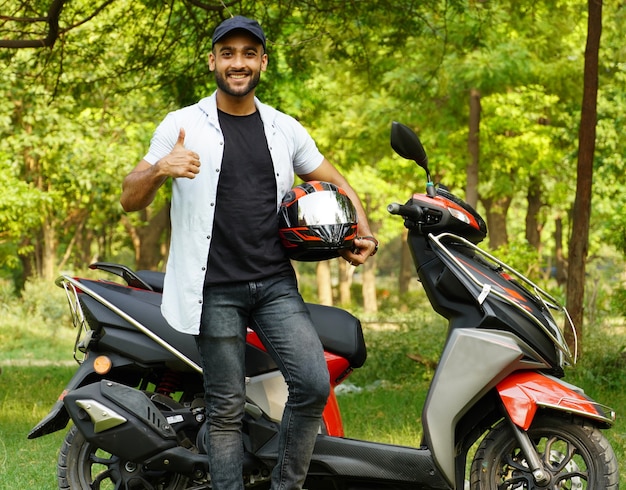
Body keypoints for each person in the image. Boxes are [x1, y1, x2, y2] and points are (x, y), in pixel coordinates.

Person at [120, 15, 377, 490]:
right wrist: (159, 170)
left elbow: (336, 182)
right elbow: (129, 197)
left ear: (262, 61)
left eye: (248, 53)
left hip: (274, 284)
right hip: (213, 288)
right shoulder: (181, 125)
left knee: (313, 384)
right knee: (225, 409)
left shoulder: (284, 128)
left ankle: (284, 485)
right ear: (214, 60)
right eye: (228, 53)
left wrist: (360, 233)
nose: (238, 63)